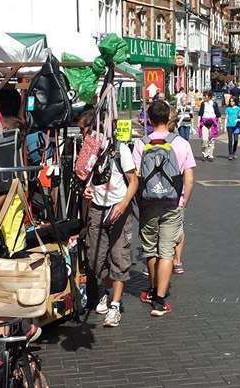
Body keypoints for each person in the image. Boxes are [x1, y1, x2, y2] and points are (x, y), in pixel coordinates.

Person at [133, 100, 196, 316]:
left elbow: (137, 177)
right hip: (172, 203)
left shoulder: (141, 143)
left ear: (149, 120)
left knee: (150, 248)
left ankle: (151, 289)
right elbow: (189, 178)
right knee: (167, 251)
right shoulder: (181, 144)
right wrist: (182, 202)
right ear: (168, 118)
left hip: (148, 203)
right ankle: (160, 300)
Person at [83, 111, 139, 327]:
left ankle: (115, 305)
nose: (84, 136)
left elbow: (133, 181)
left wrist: (123, 204)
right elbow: (87, 180)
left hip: (118, 207)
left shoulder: (120, 150)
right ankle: (105, 291)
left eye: (86, 131)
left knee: (119, 255)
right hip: (97, 208)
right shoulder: (88, 152)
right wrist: (87, 191)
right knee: (95, 257)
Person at [198, 90, 221, 162]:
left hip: (213, 124)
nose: (204, 97)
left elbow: (218, 114)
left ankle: (210, 155)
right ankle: (204, 154)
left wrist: (220, 123)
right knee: (204, 140)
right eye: (204, 96)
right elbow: (200, 114)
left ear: (209, 96)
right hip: (204, 123)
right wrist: (198, 123)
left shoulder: (214, 104)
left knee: (211, 140)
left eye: (205, 96)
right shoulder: (203, 104)